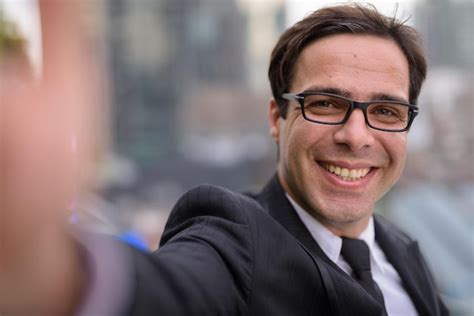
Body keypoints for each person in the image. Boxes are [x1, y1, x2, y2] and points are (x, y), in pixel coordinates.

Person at [0, 2, 448, 316]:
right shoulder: (232, 237)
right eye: (326, 104)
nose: (356, 136)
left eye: (386, 112)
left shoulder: (401, 249)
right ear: (277, 118)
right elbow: (163, 294)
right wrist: (44, 273)